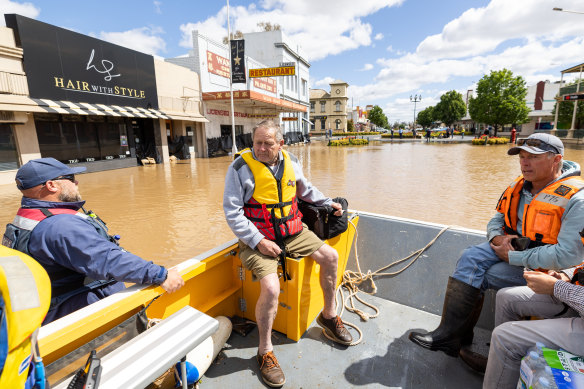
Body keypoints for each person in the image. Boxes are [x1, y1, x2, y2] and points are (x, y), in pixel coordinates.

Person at [408, 133, 584, 365]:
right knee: (470, 255)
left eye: (532, 157)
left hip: (547, 271)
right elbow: (496, 219)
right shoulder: (519, 186)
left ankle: (470, 341)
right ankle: (452, 335)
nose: (524, 162)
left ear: (556, 159)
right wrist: (496, 239)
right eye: (521, 156)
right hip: (512, 251)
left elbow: (568, 255)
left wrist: (513, 256)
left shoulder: (576, 198)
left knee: (481, 274)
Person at [223, 119, 352, 387]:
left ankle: (327, 316)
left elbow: (305, 190)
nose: (260, 148)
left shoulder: (291, 162)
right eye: (257, 142)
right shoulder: (239, 168)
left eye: (267, 143)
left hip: (292, 232)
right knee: (271, 288)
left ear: (280, 144)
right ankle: (265, 352)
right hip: (256, 239)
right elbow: (232, 212)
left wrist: (329, 203)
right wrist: (258, 241)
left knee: (331, 257)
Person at [2, 158, 184, 324]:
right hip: (81, 315)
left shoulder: (28, 217)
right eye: (71, 178)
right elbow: (106, 259)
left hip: (51, 311)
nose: (76, 182)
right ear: (51, 185)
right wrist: (161, 275)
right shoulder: (60, 225)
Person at [482, 268, 584, 388]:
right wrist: (567, 275)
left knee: (503, 337)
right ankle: (498, 365)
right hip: (575, 297)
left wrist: (556, 287)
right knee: (505, 298)